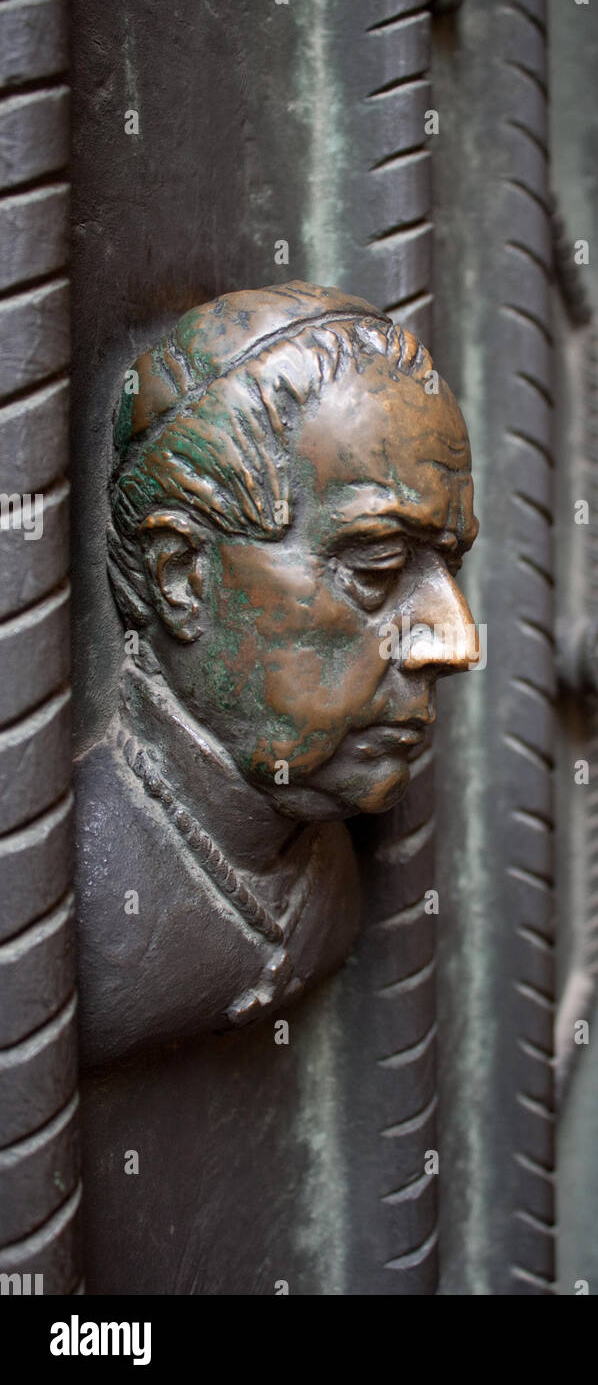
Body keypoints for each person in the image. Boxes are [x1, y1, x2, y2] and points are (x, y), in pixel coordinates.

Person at [76, 281, 479, 1067]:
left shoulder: (326, 876)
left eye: (449, 567)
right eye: (378, 564)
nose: (456, 641)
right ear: (182, 576)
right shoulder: (65, 905)